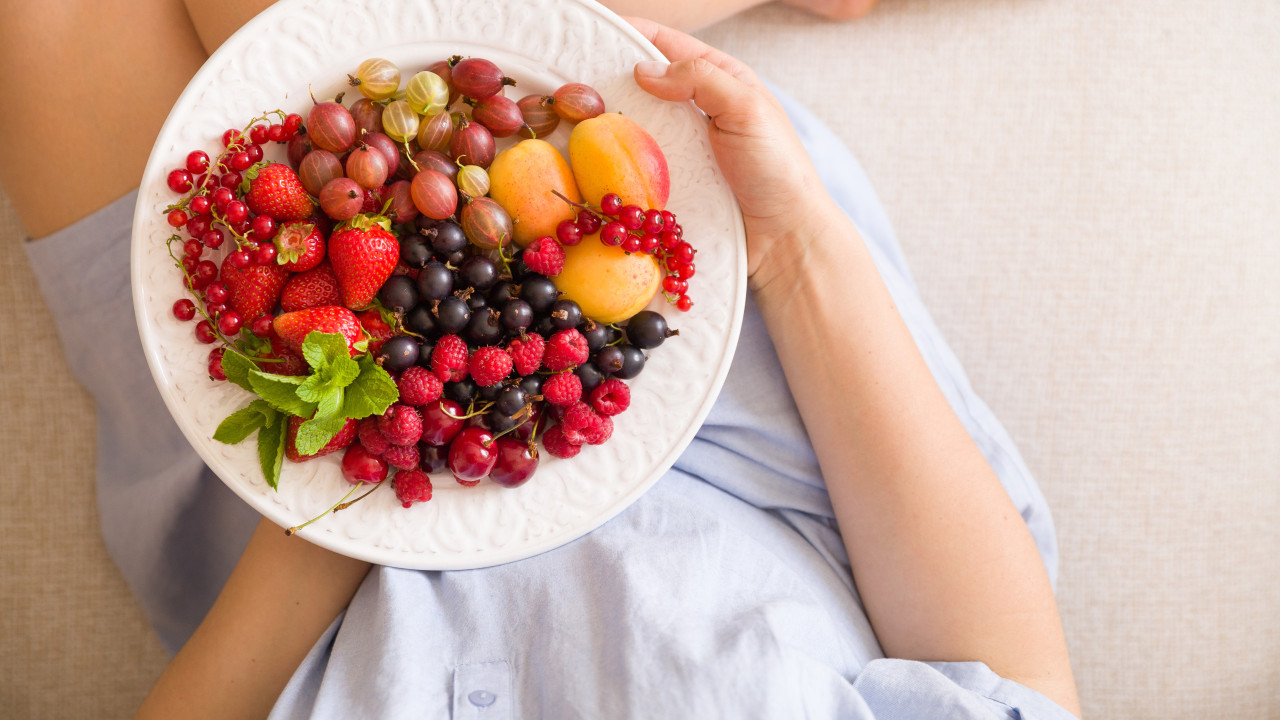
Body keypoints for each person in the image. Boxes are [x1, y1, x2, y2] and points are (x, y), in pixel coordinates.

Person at [2, 1, 1081, 717]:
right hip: (676, 408)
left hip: (302, 503)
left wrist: (356, 479)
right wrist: (794, 247)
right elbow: (1011, 680)